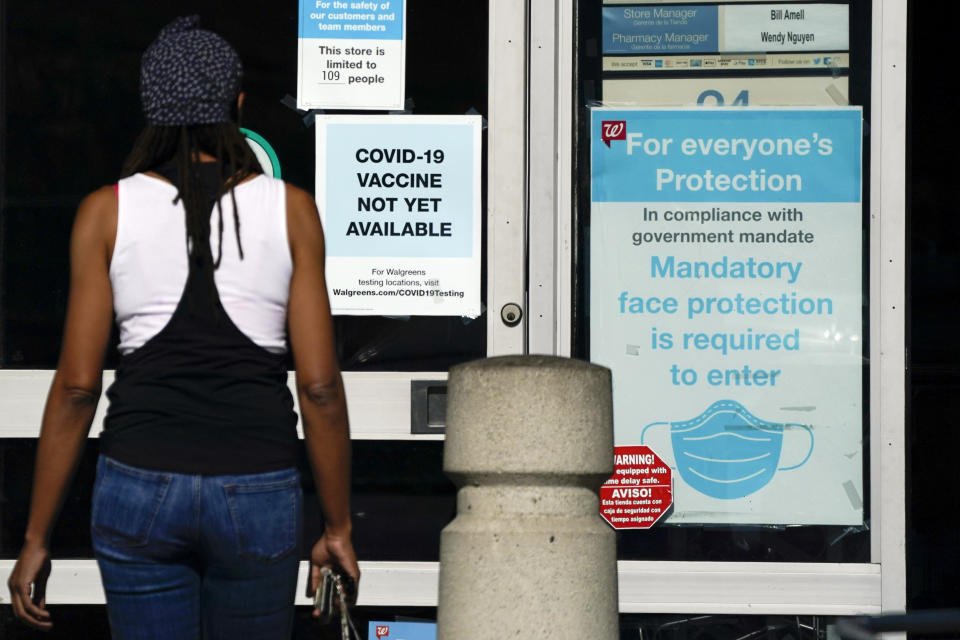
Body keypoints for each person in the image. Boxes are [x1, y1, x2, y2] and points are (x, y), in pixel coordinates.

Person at [6, 16, 359, 638]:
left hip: (139, 483)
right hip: (257, 486)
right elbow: (322, 388)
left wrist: (36, 536)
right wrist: (338, 528)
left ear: (152, 112)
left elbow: (77, 389)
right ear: (238, 107)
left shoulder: (104, 212)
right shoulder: (292, 210)